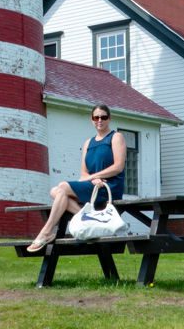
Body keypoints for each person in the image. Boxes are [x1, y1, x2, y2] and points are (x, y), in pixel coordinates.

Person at [26, 104, 126, 252]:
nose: (100, 120)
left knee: (63, 187)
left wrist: (95, 177)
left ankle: (46, 232)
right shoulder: (88, 143)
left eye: (103, 117)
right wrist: (92, 179)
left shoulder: (116, 137)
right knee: (56, 191)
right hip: (93, 186)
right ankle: (87, 217)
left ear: (109, 119)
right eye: (96, 117)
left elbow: (118, 167)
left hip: (109, 187)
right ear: (91, 119)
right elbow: (83, 174)